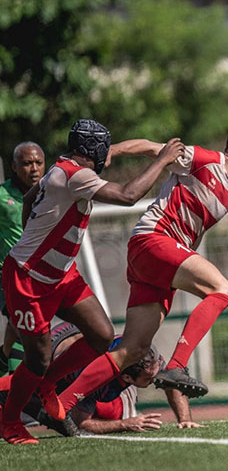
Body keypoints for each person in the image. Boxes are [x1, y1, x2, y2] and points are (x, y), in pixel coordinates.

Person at [56, 121, 228, 422]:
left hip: (163, 260)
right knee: (222, 289)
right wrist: (111, 152)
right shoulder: (203, 160)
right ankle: (178, 365)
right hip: (153, 241)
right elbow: (149, 148)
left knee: (132, 350)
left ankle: (61, 404)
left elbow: (194, 229)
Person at [0, 119, 185, 444]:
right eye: (103, 148)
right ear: (92, 150)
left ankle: (46, 386)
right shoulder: (76, 176)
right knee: (37, 358)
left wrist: (37, 231)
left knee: (101, 335)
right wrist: (162, 160)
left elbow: (30, 199)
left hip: (61, 276)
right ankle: (10, 421)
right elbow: (128, 196)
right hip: (29, 278)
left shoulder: (60, 168)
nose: (106, 154)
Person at [0, 322, 199, 435]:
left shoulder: (144, 356)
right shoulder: (92, 378)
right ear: (127, 376)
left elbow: (170, 380)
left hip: (78, 341)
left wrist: (185, 419)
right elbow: (83, 423)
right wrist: (126, 424)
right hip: (48, 352)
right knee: (21, 399)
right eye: (148, 380)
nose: (154, 380)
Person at [0, 142, 45, 375]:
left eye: (38, 163)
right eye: (27, 164)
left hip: (39, 274)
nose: (34, 169)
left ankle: (4, 358)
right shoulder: (2, 197)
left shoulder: (51, 193)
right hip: (6, 275)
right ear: (14, 167)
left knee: (31, 331)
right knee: (21, 324)